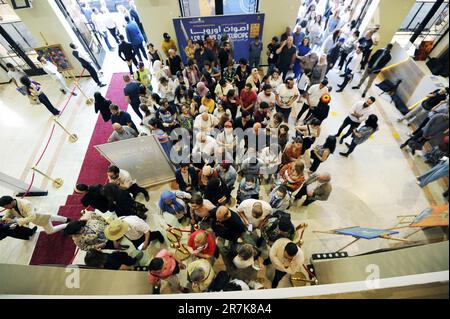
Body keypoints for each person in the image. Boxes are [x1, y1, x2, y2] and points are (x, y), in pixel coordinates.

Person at [0, 196, 69, 235]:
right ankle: (66, 219)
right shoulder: (11, 206)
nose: (6, 208)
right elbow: (9, 212)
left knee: (50, 231)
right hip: (41, 215)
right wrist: (4, 218)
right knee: (51, 217)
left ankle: (67, 225)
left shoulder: (25, 204)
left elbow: (32, 217)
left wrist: (14, 220)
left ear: (11, 202)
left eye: (6, 206)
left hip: (39, 217)